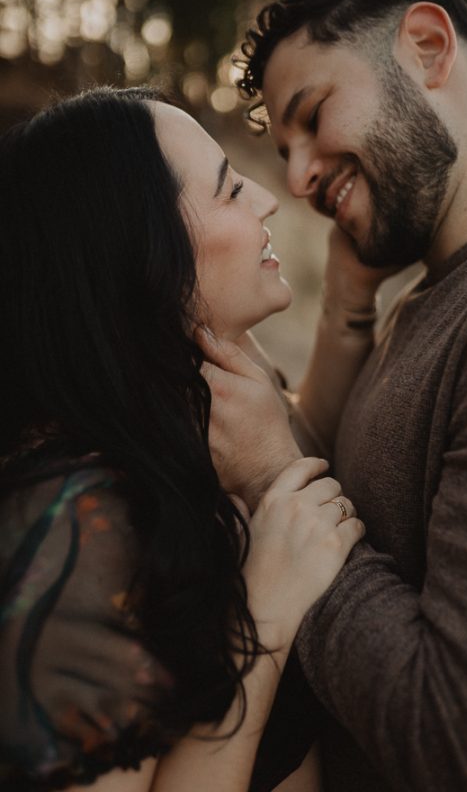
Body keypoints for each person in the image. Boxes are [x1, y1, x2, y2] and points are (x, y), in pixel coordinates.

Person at [199, 0, 467, 790]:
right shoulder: (442, 288)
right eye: (284, 148)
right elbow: (374, 522)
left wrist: (273, 476)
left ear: (424, 46)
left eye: (312, 115)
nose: (300, 176)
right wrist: (347, 315)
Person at [0, 86, 368, 791]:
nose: (266, 199)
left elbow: (296, 420)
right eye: (230, 189)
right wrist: (265, 611)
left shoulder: (172, 438)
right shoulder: (73, 526)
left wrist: (350, 300)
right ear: (143, 254)